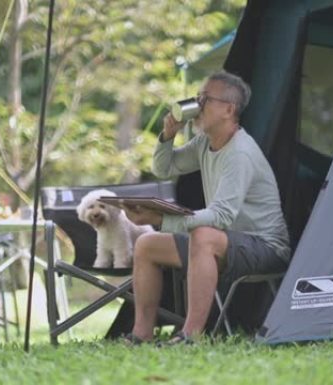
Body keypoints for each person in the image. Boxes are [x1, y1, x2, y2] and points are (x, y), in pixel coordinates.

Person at [122, 71, 291, 344]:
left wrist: (164, 220)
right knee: (146, 244)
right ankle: (140, 335)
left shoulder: (240, 153)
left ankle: (191, 336)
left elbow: (222, 216)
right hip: (224, 242)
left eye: (205, 98)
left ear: (228, 109)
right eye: (198, 97)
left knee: (203, 235)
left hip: (265, 247)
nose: (197, 104)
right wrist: (167, 135)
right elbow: (164, 168)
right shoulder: (204, 143)